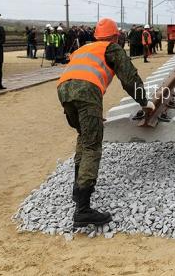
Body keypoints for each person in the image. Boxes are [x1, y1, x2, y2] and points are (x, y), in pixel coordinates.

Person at [57, 17, 155, 228]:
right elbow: (129, 78)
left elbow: (75, 73)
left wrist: (90, 114)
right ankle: (83, 210)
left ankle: (77, 191)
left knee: (84, 136)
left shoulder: (84, 48)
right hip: (86, 92)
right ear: (114, 36)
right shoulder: (111, 48)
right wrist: (145, 102)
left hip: (64, 91)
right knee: (93, 145)